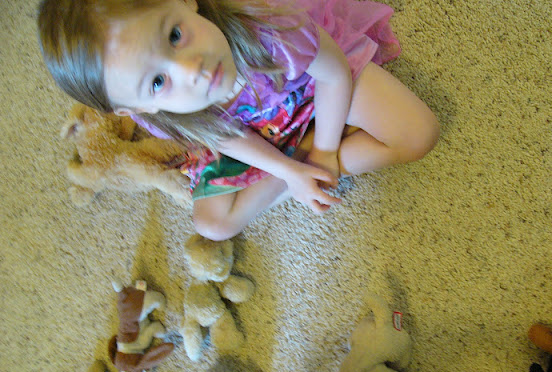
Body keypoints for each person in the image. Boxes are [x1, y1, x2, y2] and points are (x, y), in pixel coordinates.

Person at [38, 0, 439, 240]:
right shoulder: (163, 114)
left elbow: (333, 73)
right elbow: (222, 135)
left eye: (174, 36)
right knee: (213, 225)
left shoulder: (266, 22)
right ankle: (301, 160)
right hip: (256, 130)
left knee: (418, 133)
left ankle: (314, 148)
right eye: (158, 81)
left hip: (310, 85)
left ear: (185, 1)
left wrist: (326, 151)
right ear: (137, 110)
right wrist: (289, 171)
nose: (192, 69)